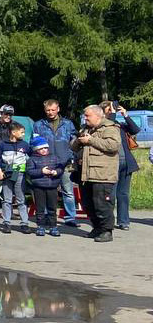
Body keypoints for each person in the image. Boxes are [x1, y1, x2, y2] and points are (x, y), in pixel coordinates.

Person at [72, 104, 121, 242]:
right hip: (86, 173)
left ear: (98, 115)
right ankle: (97, 228)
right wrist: (79, 140)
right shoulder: (85, 128)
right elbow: (73, 147)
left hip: (102, 174)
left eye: (88, 115)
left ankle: (107, 231)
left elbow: (113, 145)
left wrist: (91, 140)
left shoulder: (110, 128)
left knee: (102, 204)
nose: (85, 118)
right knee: (88, 204)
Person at [34, 99, 79, 227]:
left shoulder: (68, 124)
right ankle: (49, 217)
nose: (50, 112)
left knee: (68, 191)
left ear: (58, 109)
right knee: (48, 191)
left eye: (53, 110)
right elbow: (35, 143)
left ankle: (70, 218)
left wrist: (71, 157)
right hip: (46, 162)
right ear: (45, 110)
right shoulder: (38, 125)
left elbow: (75, 142)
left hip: (64, 163)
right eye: (48, 110)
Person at [102, 101, 141, 231]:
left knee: (123, 194)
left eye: (112, 110)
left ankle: (124, 221)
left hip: (126, 163)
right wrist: (112, 114)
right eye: (109, 110)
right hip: (111, 164)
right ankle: (109, 221)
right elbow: (109, 126)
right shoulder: (103, 125)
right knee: (110, 195)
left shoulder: (118, 124)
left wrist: (126, 115)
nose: (112, 111)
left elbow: (135, 130)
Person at [0, 123, 31, 233]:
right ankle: (6, 223)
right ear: (13, 133)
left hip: (20, 174)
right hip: (7, 174)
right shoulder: (2, 144)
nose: (23, 134)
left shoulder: (25, 145)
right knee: (7, 199)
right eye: (22, 132)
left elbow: (32, 157)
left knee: (21, 199)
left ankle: (24, 223)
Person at [26, 136, 64, 237]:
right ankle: (40, 226)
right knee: (40, 208)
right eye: (41, 148)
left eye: (45, 148)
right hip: (39, 186)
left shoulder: (54, 157)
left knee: (52, 207)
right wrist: (41, 171)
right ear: (36, 149)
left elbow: (60, 168)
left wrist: (56, 172)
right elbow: (30, 171)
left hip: (52, 186)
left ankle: (53, 226)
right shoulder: (32, 159)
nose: (44, 150)